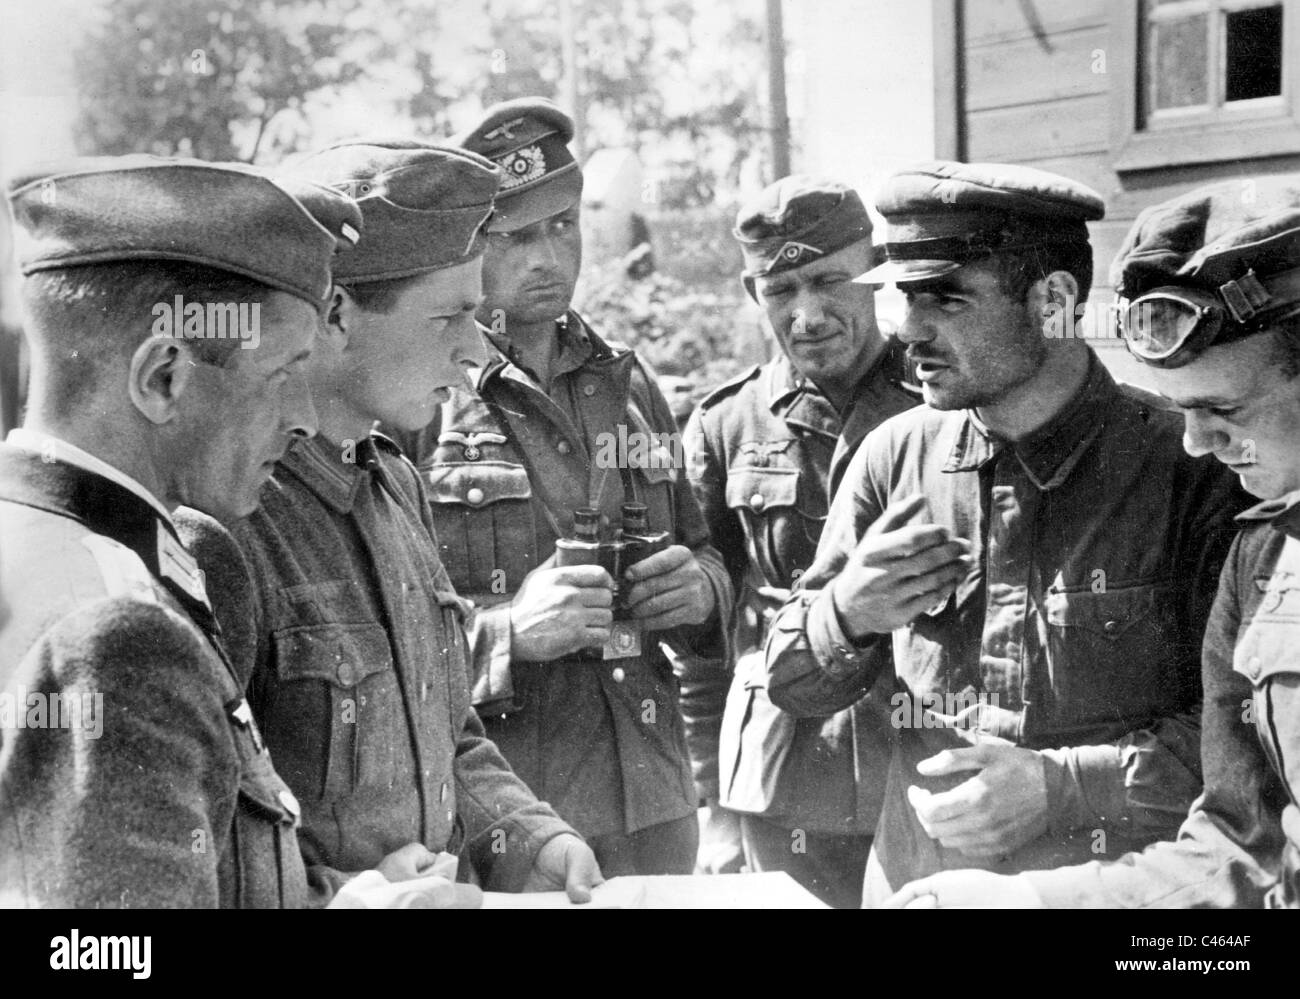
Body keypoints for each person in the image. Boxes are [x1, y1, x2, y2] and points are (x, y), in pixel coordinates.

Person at [764, 160, 1250, 906]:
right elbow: (788, 682)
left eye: (947, 299)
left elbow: (1249, 742)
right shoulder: (894, 456)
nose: (909, 329)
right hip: (917, 888)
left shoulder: (1187, 466)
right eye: (906, 298)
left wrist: (1066, 786)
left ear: (1053, 303)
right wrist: (847, 615)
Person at [0, 155, 468, 908]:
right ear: (166, 377)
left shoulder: (52, 550)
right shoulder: (116, 635)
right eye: (284, 373)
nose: (306, 418)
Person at [181, 139, 602, 905]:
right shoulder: (227, 519)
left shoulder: (394, 484)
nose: (477, 349)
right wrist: (344, 894)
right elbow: (196, 842)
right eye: (452, 314)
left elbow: (450, 734)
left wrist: (529, 838)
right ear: (336, 314)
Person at [886, 177, 1300, 908]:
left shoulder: (1205, 494)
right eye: (1182, 409)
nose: (1197, 443)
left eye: (1222, 409)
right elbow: (1245, 847)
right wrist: (1029, 903)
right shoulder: (1265, 549)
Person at [397, 98, 732, 876]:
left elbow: (708, 555)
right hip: (516, 815)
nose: (547, 257)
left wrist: (700, 591)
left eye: (563, 225)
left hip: (653, 800)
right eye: (514, 237)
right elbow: (390, 631)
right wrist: (512, 630)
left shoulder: (629, 380)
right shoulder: (423, 394)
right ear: (470, 247)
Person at [680, 176, 920, 907]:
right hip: (785, 776)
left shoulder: (940, 394)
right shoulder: (726, 424)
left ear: (874, 272)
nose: (807, 314)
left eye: (827, 280)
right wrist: (713, 806)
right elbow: (701, 643)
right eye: (779, 289)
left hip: (917, 763)